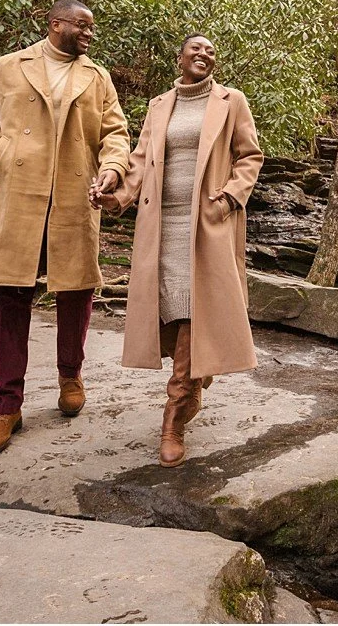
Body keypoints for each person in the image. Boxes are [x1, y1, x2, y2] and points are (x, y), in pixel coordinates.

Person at [0, 0, 130, 459]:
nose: (90, 33)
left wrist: (113, 166)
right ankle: (6, 406)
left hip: (75, 197)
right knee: (10, 296)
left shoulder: (98, 77)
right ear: (56, 24)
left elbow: (116, 133)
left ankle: (70, 375)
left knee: (76, 291)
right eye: (82, 25)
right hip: (20, 199)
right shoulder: (11, 67)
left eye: (92, 27)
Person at [93, 34, 263, 467]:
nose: (204, 55)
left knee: (196, 308)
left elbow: (250, 156)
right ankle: (193, 385)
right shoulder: (159, 104)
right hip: (162, 225)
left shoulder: (231, 101)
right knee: (175, 310)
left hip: (206, 223)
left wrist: (228, 197)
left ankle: (173, 417)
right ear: (180, 57)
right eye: (196, 50)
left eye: (211, 52)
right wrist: (114, 195)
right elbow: (139, 160)